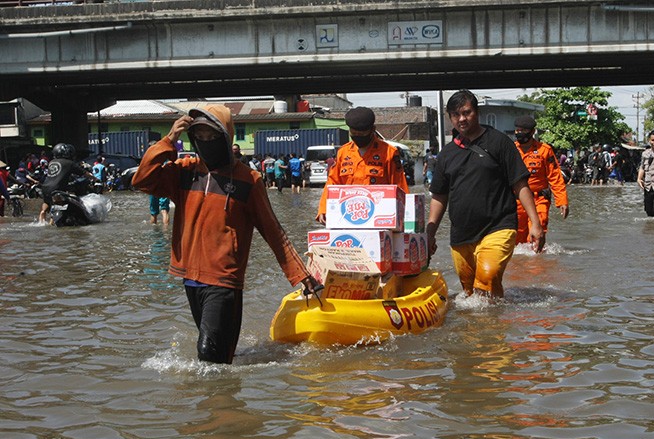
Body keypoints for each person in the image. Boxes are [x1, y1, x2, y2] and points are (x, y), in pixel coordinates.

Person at [131, 104, 318, 364]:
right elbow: (141, 181)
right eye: (200, 138)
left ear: (226, 137)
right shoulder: (184, 172)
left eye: (212, 137)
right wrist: (169, 139)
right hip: (190, 277)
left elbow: (272, 230)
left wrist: (301, 275)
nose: (206, 143)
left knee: (209, 353)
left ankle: (222, 400)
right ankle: (218, 399)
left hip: (224, 280)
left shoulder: (248, 180)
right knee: (217, 356)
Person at [426, 90, 543, 299]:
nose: (461, 119)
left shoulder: (500, 143)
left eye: (466, 112)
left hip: (498, 226)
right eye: (455, 115)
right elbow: (439, 197)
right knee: (470, 293)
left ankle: (492, 328)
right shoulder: (446, 154)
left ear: (477, 112)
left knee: (487, 276)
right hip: (461, 234)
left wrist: (535, 223)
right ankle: (488, 327)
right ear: (449, 118)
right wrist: (429, 233)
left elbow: (520, 184)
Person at [316, 106, 409, 224]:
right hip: (348, 215)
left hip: (380, 217)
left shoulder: (389, 152)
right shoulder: (343, 153)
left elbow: (400, 186)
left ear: (372, 129)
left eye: (362, 133)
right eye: (354, 133)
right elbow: (332, 182)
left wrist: (406, 219)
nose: (358, 137)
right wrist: (324, 208)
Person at [512, 115, 569, 247]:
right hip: (517, 201)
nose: (519, 134)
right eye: (517, 130)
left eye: (523, 130)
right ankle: (519, 266)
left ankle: (537, 266)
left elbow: (555, 177)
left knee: (538, 231)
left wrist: (562, 200)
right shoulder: (511, 151)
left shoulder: (545, 150)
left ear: (532, 132)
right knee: (517, 240)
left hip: (539, 199)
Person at [38, 143, 95, 224]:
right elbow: (84, 173)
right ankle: (51, 222)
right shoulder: (69, 163)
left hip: (45, 187)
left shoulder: (52, 162)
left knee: (47, 202)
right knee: (58, 207)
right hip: (57, 188)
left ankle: (42, 217)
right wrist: (96, 179)